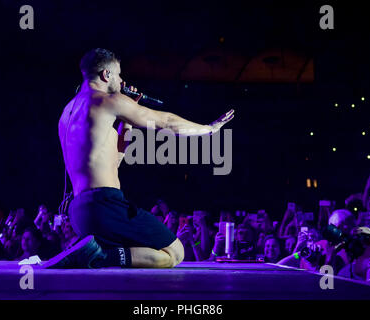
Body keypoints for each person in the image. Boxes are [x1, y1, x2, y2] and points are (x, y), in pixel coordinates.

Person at [44, 48, 234, 269]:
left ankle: (94, 254)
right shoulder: (108, 100)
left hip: (81, 211)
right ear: (106, 75)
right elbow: (166, 122)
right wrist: (208, 129)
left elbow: (114, 161)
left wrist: (128, 117)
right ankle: (97, 257)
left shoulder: (66, 113)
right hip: (105, 204)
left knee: (141, 252)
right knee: (175, 252)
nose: (122, 80)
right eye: (118, 74)